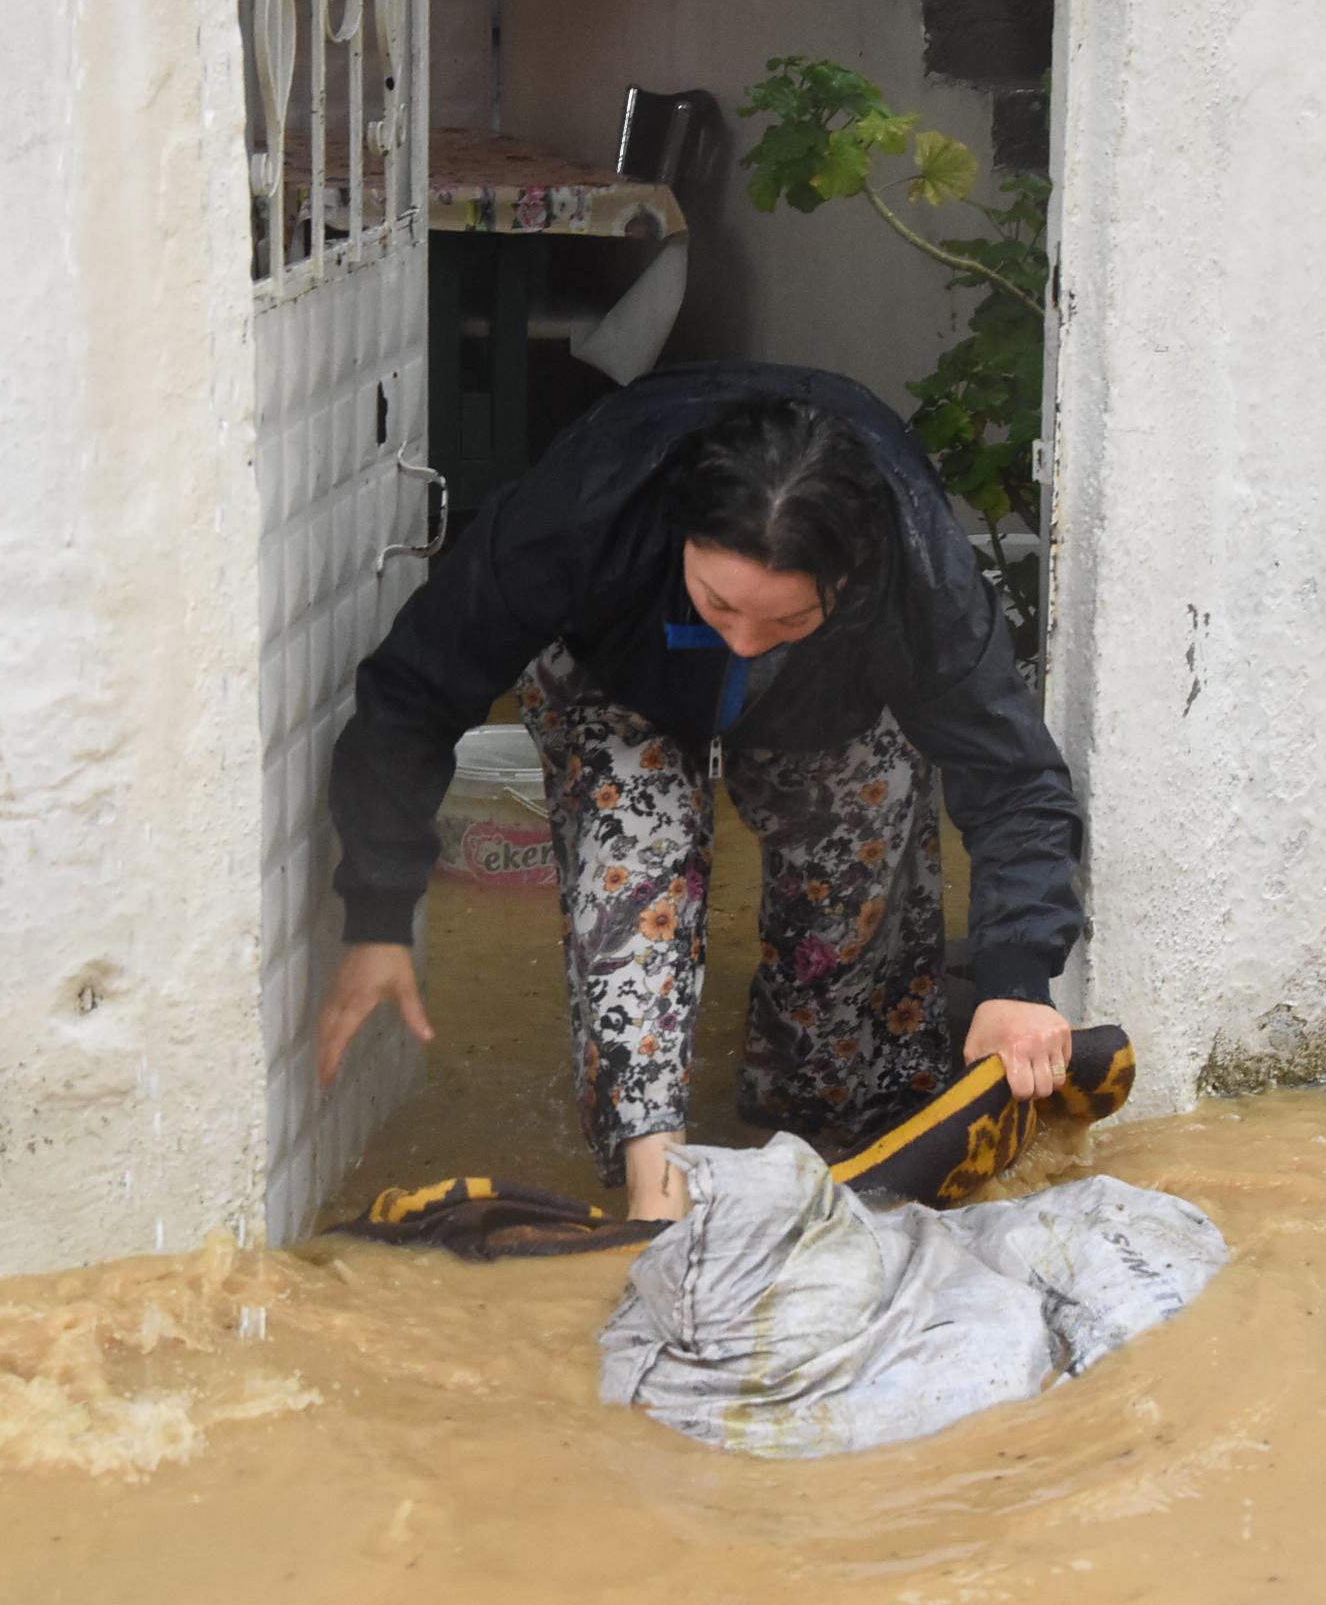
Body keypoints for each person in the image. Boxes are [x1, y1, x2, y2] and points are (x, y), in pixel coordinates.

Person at [315, 361, 1086, 1220]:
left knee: (856, 903)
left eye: (787, 619)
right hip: (617, 680)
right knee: (632, 853)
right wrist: (378, 913)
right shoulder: (579, 513)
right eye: (723, 604)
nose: (749, 641)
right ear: (679, 532)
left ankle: (817, 1122)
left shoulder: (913, 569)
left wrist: (1017, 979)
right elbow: (413, 696)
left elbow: (1011, 773)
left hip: (832, 706)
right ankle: (658, 1201)